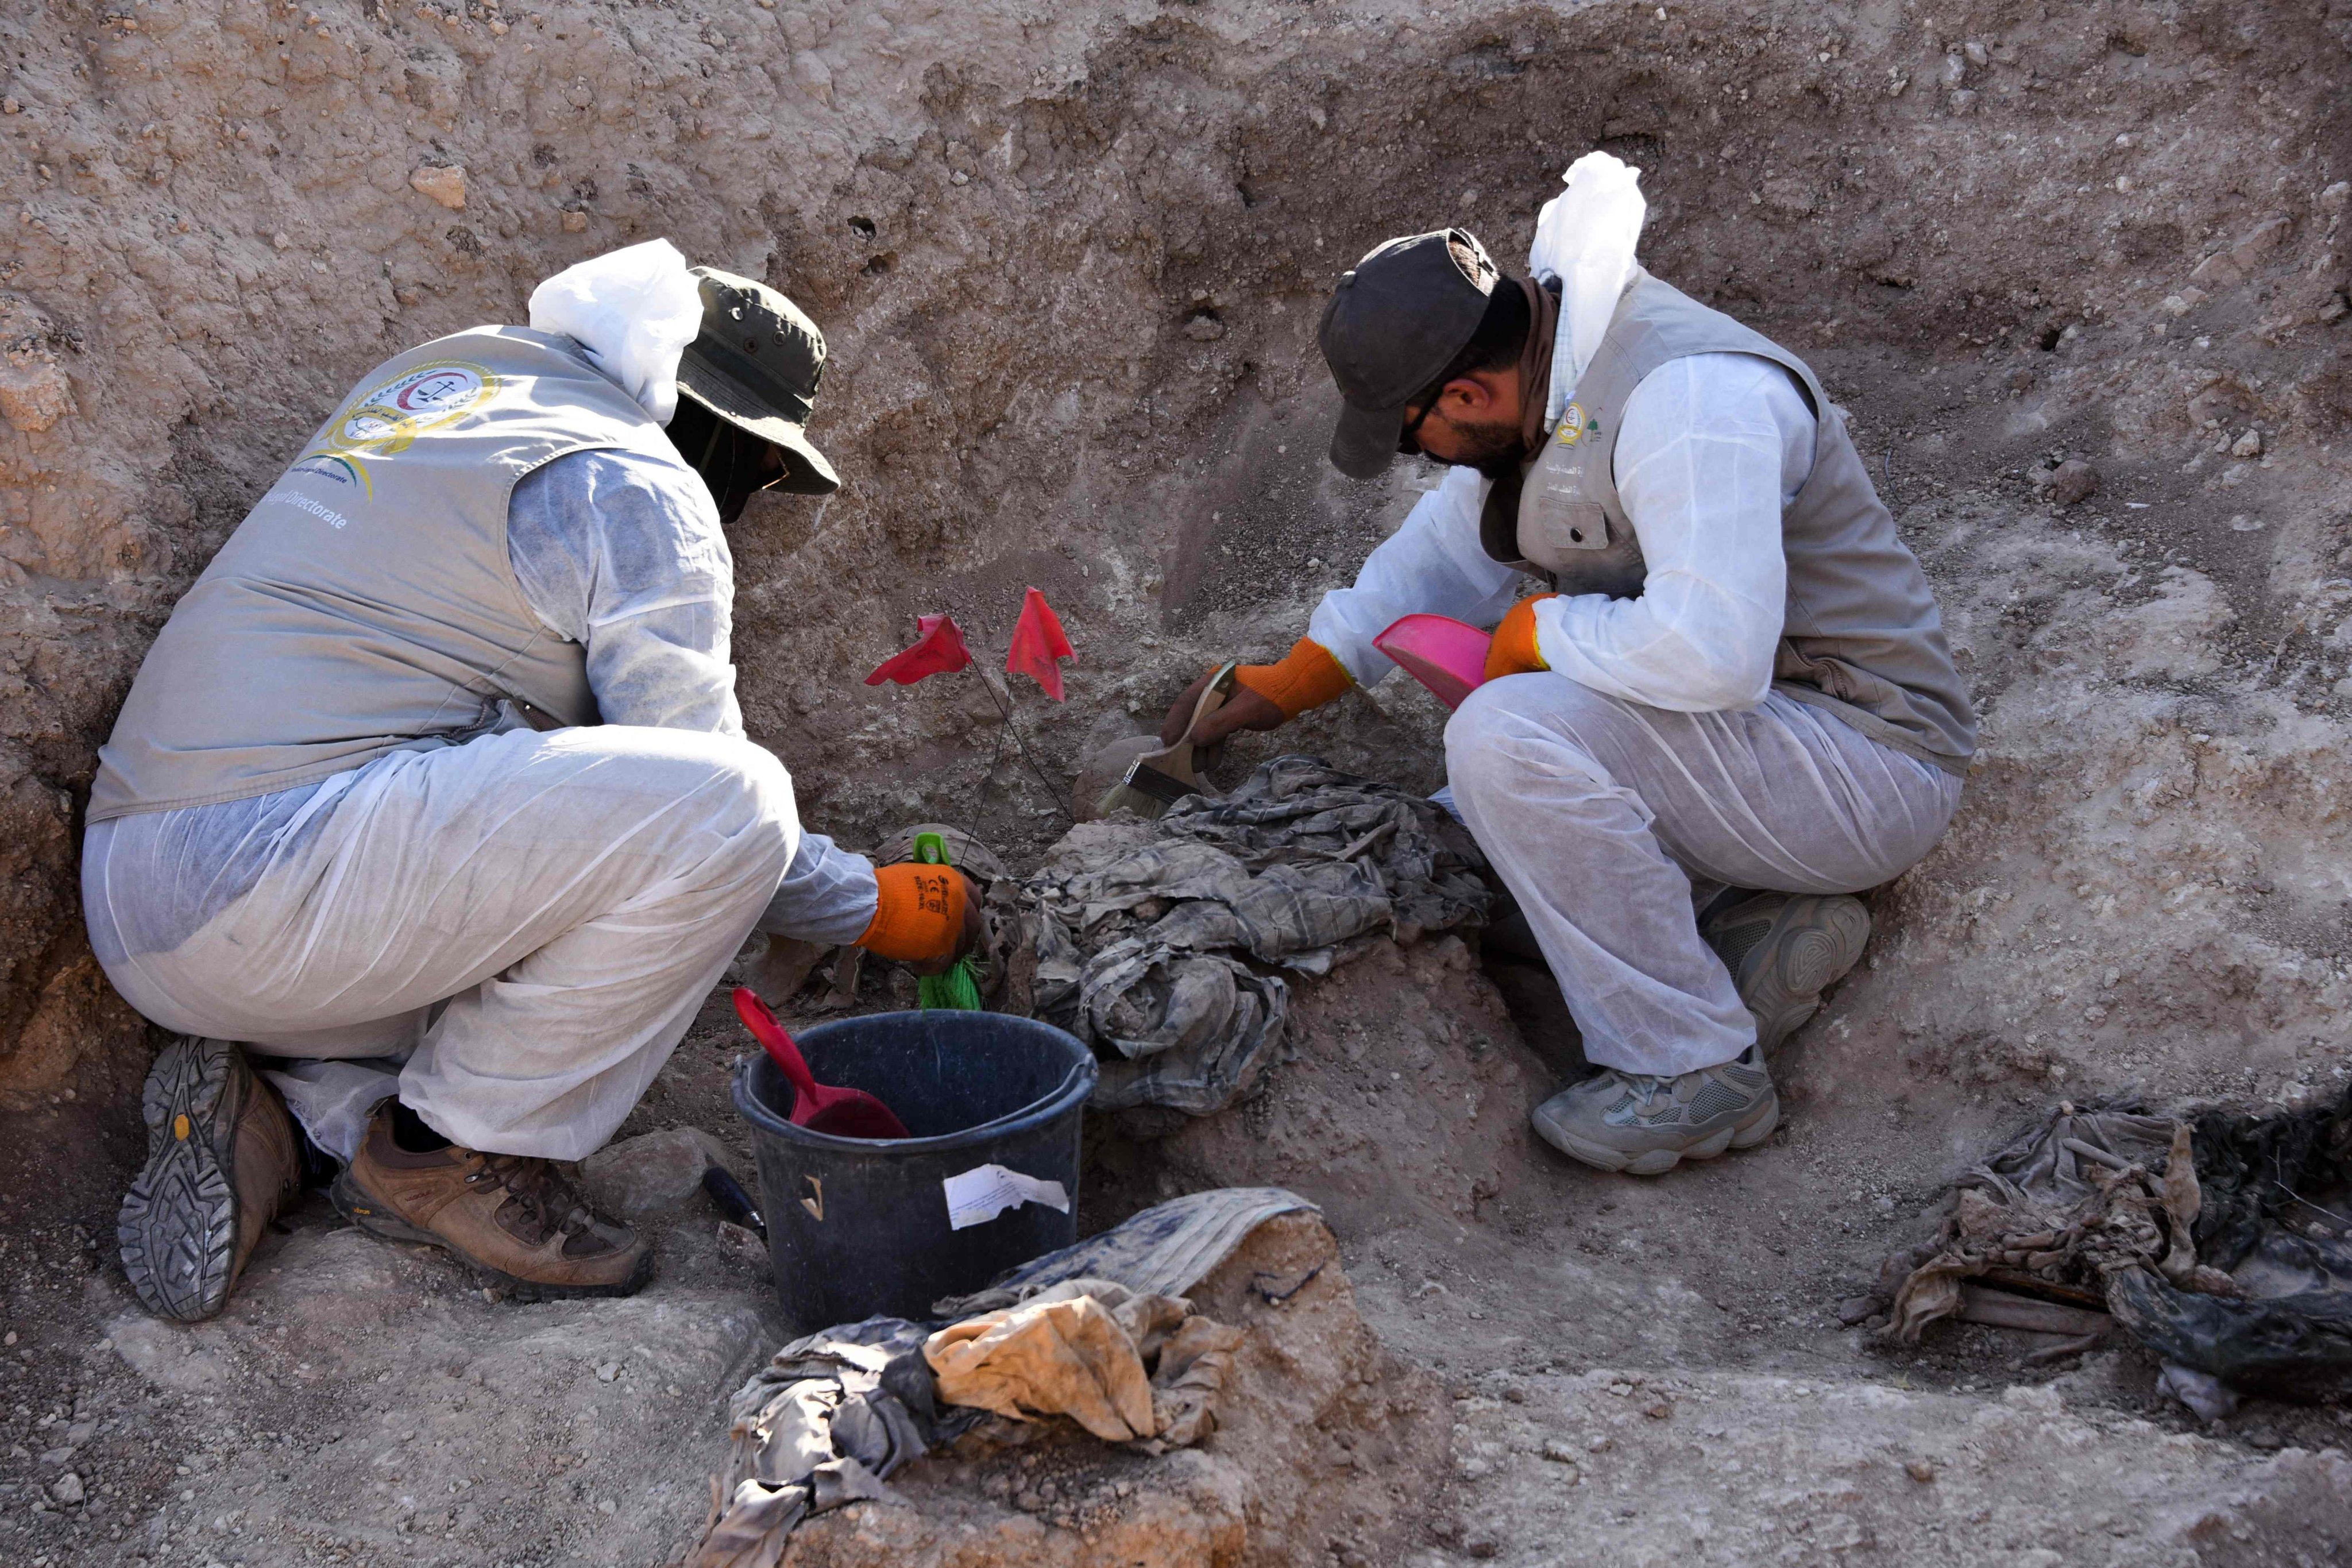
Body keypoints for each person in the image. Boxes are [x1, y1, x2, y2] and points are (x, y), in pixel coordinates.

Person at [88, 242, 978, 1320]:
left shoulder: (459, 381)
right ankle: (444, 1153)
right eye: (754, 468)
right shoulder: (636, 484)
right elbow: (706, 791)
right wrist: (879, 908)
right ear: (707, 421)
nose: (743, 499)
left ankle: (305, 1110)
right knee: (736, 807)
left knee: (508, 833)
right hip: (273, 888)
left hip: (145, 891)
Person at [1161, 155, 1973, 1176]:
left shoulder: (1688, 401)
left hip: (1867, 761)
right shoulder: (1546, 385)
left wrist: (1538, 638)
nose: (1435, 459)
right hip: (1760, 760)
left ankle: (1692, 1066)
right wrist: (1300, 676)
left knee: (1506, 738)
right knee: (1466, 830)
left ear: (1464, 389)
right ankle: (1735, 932)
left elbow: (1714, 653)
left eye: (1424, 438)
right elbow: (1441, 553)